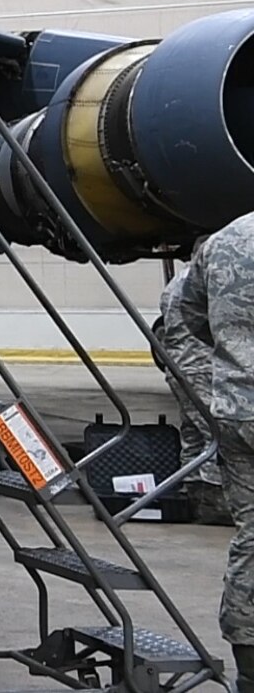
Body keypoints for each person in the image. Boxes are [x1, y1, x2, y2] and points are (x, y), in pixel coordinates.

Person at [184, 210, 254, 692]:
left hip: (239, 408)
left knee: (253, 536)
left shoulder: (226, 236)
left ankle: (249, 666)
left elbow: (189, 314)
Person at [158, 244, 230, 524]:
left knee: (193, 433)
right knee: (215, 433)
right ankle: (217, 500)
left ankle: (194, 492)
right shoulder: (205, 281)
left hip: (178, 366)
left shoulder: (177, 282)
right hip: (200, 364)